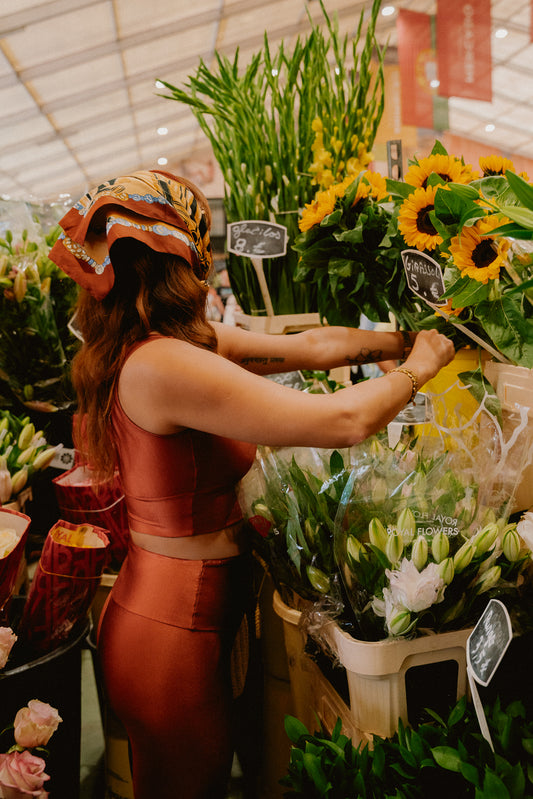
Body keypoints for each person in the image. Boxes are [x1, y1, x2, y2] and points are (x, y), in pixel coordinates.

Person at [49, 170, 455, 799]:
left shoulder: (156, 344)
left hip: (176, 616)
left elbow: (311, 346)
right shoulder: (164, 364)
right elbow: (341, 421)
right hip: (173, 635)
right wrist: (420, 370)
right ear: (177, 264)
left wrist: (406, 338)